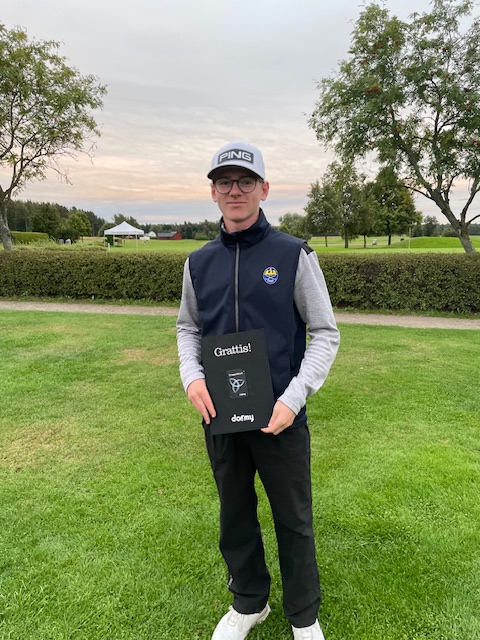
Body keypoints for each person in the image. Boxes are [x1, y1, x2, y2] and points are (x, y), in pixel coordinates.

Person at [176, 141, 340, 640]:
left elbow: (325, 332)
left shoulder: (293, 254)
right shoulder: (198, 262)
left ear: (264, 189)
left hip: (280, 415)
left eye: (245, 181)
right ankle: (249, 602)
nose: (235, 190)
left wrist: (294, 397)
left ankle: (303, 615)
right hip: (221, 416)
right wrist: (192, 376)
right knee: (235, 515)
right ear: (213, 192)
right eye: (225, 182)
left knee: (294, 519)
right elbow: (188, 327)